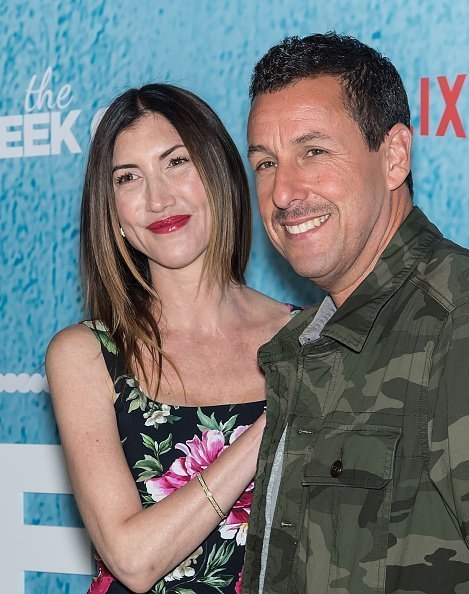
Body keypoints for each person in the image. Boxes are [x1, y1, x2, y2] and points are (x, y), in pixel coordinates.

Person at [242, 33, 469, 594]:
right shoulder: (308, 341)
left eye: (313, 151)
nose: (284, 191)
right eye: (266, 163)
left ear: (394, 157)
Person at [45, 83, 295, 594]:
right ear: (110, 208)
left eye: (176, 162)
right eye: (128, 178)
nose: (158, 199)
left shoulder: (311, 336)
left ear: (220, 170)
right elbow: (133, 561)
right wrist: (276, 422)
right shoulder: (87, 355)